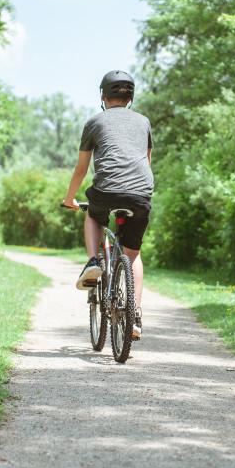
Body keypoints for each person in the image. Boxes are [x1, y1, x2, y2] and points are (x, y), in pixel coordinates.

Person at [62, 70, 153, 340]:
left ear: (103, 96)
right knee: (133, 254)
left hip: (107, 190)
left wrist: (70, 199)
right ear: (131, 97)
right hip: (141, 193)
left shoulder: (94, 122)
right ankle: (135, 315)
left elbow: (82, 168)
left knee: (92, 214)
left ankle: (93, 262)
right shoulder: (144, 122)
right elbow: (146, 161)